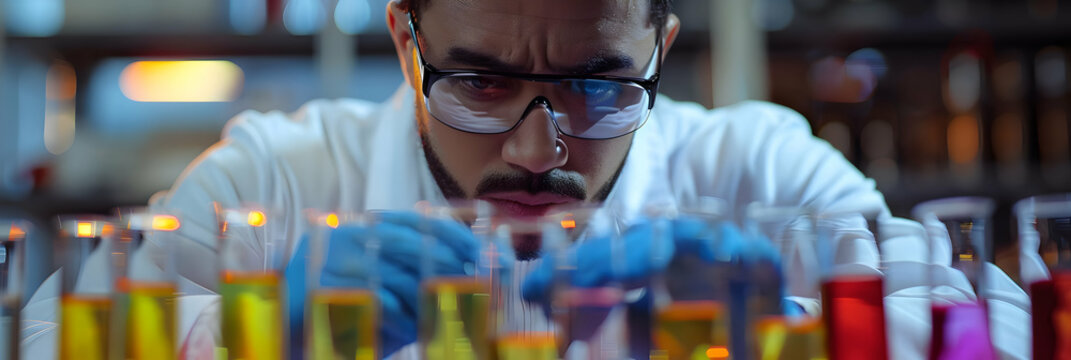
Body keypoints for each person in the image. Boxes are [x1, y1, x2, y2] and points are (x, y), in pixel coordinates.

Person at [19, 0, 1030, 359]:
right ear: (407, 45)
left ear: (660, 50)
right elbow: (38, 338)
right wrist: (252, 334)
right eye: (482, 81)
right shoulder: (280, 176)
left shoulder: (751, 167)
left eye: (596, 83)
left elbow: (1002, 332)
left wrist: (788, 330)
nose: (540, 151)